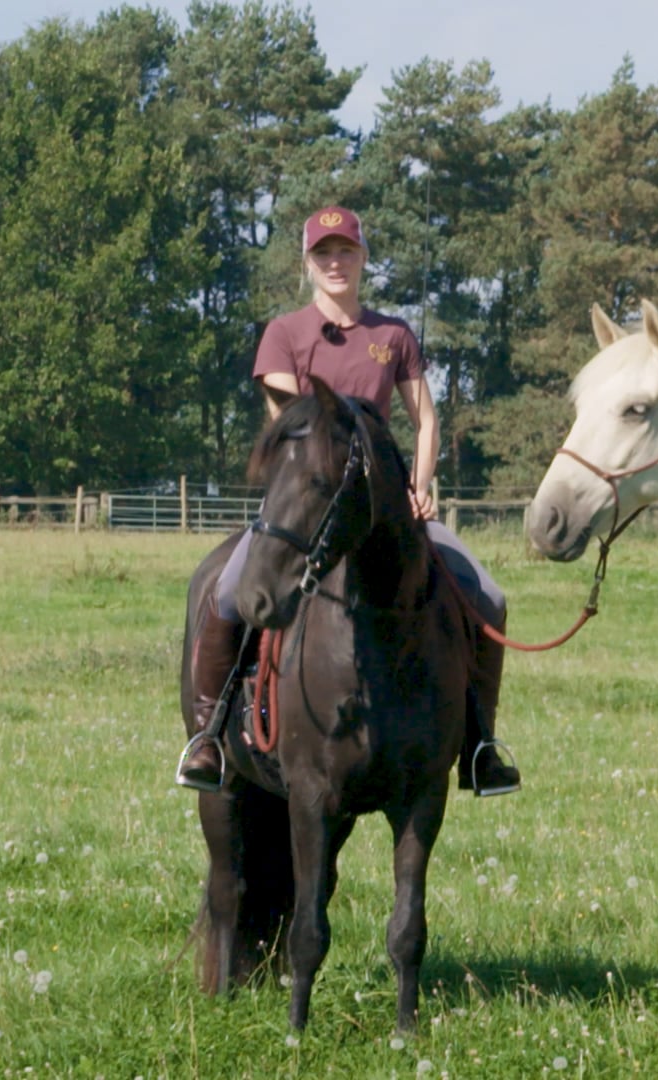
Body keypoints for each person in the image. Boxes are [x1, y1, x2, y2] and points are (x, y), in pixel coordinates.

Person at [178, 205, 521, 796]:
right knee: (231, 590)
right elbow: (290, 424)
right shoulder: (283, 334)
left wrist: (419, 482)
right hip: (304, 507)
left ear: (363, 259)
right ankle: (208, 735)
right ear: (307, 264)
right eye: (323, 253)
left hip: (385, 509)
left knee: (486, 595)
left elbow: (426, 417)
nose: (335, 263)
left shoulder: (394, 335)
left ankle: (478, 744)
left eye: (346, 252)